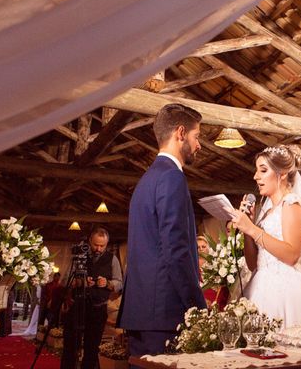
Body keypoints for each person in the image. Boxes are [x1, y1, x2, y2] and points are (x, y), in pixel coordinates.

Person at [117, 103, 206, 361]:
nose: (199, 145)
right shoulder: (171, 178)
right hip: (164, 313)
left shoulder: (146, 180)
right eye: (197, 136)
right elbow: (176, 250)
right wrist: (197, 308)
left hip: (142, 311)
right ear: (180, 133)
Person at [231, 144, 301, 328]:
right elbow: (253, 264)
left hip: (287, 292)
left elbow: (291, 255)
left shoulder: (291, 204)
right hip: (260, 287)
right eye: (256, 170)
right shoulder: (266, 213)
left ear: (282, 174)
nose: (256, 176)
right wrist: (248, 229)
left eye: (263, 170)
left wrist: (253, 230)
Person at [61, 226, 123, 369]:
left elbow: (119, 283)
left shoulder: (112, 259)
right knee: (70, 346)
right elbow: (65, 281)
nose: (98, 249)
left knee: (92, 348)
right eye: (96, 245)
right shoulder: (79, 256)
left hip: (98, 309)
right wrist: (81, 282)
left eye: (102, 246)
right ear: (90, 241)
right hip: (77, 307)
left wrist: (107, 283)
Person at [197, 235, 228, 310]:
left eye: (203, 246)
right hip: (204, 303)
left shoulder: (216, 262)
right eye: (198, 247)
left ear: (208, 247)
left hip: (220, 298)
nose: (201, 249)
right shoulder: (193, 267)